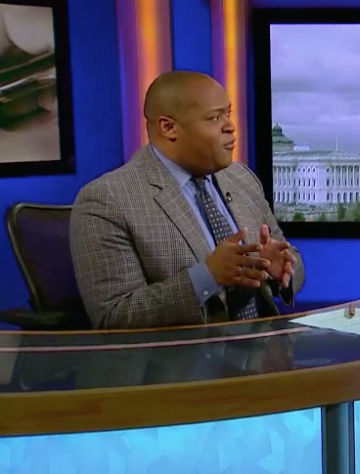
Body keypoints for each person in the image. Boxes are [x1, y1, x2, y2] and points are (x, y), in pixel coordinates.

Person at [70, 71, 306, 329]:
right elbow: (114, 316)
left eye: (228, 113)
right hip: (181, 363)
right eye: (215, 117)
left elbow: (288, 256)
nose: (230, 126)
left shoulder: (242, 179)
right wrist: (207, 277)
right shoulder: (107, 200)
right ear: (169, 127)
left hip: (264, 351)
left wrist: (278, 271)